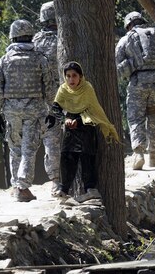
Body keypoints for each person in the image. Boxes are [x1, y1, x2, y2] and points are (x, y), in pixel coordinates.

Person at [0, 19, 55, 202]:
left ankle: (16, 185)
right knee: (29, 149)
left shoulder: (5, 60)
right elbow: (49, 86)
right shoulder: (40, 58)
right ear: (30, 35)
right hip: (34, 111)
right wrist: (51, 109)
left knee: (15, 148)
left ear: (13, 36)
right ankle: (22, 187)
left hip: (11, 111)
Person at [52, 61, 119, 202]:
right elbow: (55, 108)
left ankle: (91, 190)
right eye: (68, 76)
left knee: (86, 156)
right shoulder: (63, 89)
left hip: (86, 125)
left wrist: (80, 121)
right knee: (67, 156)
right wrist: (65, 119)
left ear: (80, 76)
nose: (71, 79)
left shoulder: (87, 88)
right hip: (70, 127)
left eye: (74, 76)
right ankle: (64, 191)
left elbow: (93, 109)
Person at [115, 11, 155, 170]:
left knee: (135, 118)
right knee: (153, 117)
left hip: (138, 84)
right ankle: (153, 156)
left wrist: (131, 66)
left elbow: (118, 69)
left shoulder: (125, 39)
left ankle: (139, 154)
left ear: (128, 25)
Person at [33, 1, 62, 196]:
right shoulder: (67, 38)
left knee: (51, 139)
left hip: (45, 99)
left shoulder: (34, 42)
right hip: (70, 94)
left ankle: (56, 182)